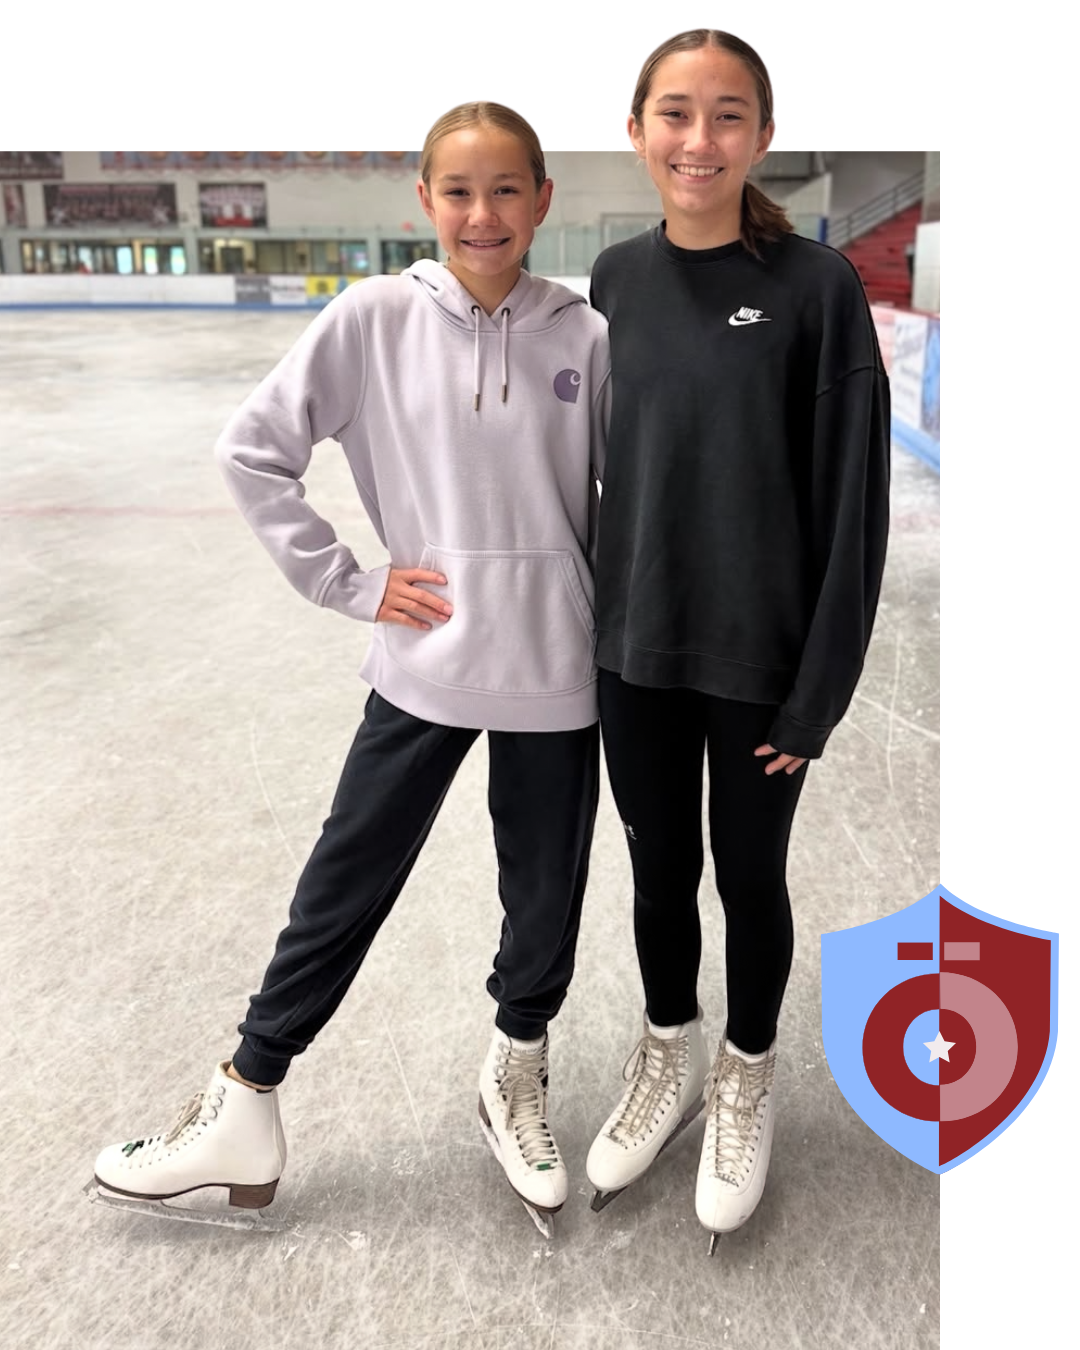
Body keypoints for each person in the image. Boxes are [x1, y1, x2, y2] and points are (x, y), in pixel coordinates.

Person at [92, 102, 610, 1238]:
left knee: (546, 895)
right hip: (425, 663)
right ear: (426, 202)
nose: (484, 214)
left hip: (559, 674)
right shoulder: (374, 319)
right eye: (460, 192)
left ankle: (515, 1067)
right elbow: (253, 449)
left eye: (507, 190)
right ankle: (245, 1098)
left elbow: (624, 501)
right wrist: (347, 580)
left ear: (542, 200)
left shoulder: (585, 334)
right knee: (346, 879)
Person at [582, 29, 890, 1252]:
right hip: (633, 653)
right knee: (659, 868)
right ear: (635, 130)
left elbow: (853, 505)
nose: (696, 140)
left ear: (763, 136)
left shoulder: (817, 288)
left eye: (725, 116)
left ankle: (745, 1073)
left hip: (761, 667)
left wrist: (817, 696)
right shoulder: (610, 280)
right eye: (673, 113)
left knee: (747, 877)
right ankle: (669, 1055)